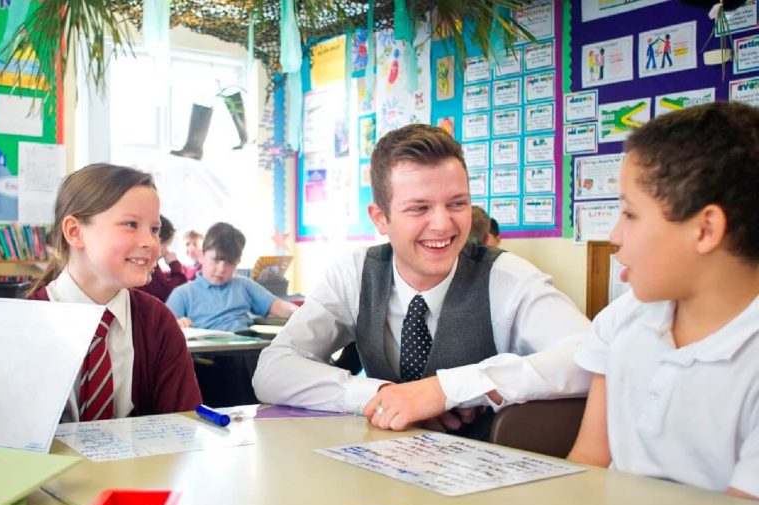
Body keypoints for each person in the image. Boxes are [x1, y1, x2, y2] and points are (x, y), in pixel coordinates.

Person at [253, 123, 590, 436]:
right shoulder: (354, 275)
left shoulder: (506, 278)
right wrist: (386, 395)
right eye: (419, 209)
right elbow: (273, 369)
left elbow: (593, 357)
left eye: (456, 203)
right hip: (380, 470)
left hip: (487, 482)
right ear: (380, 218)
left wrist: (445, 390)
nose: (443, 225)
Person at [568, 102, 759, 500]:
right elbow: (588, 462)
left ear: (705, 229)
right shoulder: (620, 321)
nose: (615, 235)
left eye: (629, 214)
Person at [27, 163, 201, 421]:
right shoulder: (24, 323)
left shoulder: (158, 323)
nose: (150, 242)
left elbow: (183, 427)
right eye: (131, 224)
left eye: (154, 229)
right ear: (75, 233)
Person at [166, 222, 298, 332]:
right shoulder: (183, 294)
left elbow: (279, 306)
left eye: (230, 263)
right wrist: (179, 323)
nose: (222, 269)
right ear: (203, 255)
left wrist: (305, 313)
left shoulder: (243, 285)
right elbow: (164, 329)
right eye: (216, 260)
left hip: (244, 348)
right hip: (207, 357)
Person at [137, 215, 189, 302]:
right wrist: (175, 265)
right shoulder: (148, 265)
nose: (167, 250)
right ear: (158, 241)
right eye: (167, 245)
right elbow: (172, 294)